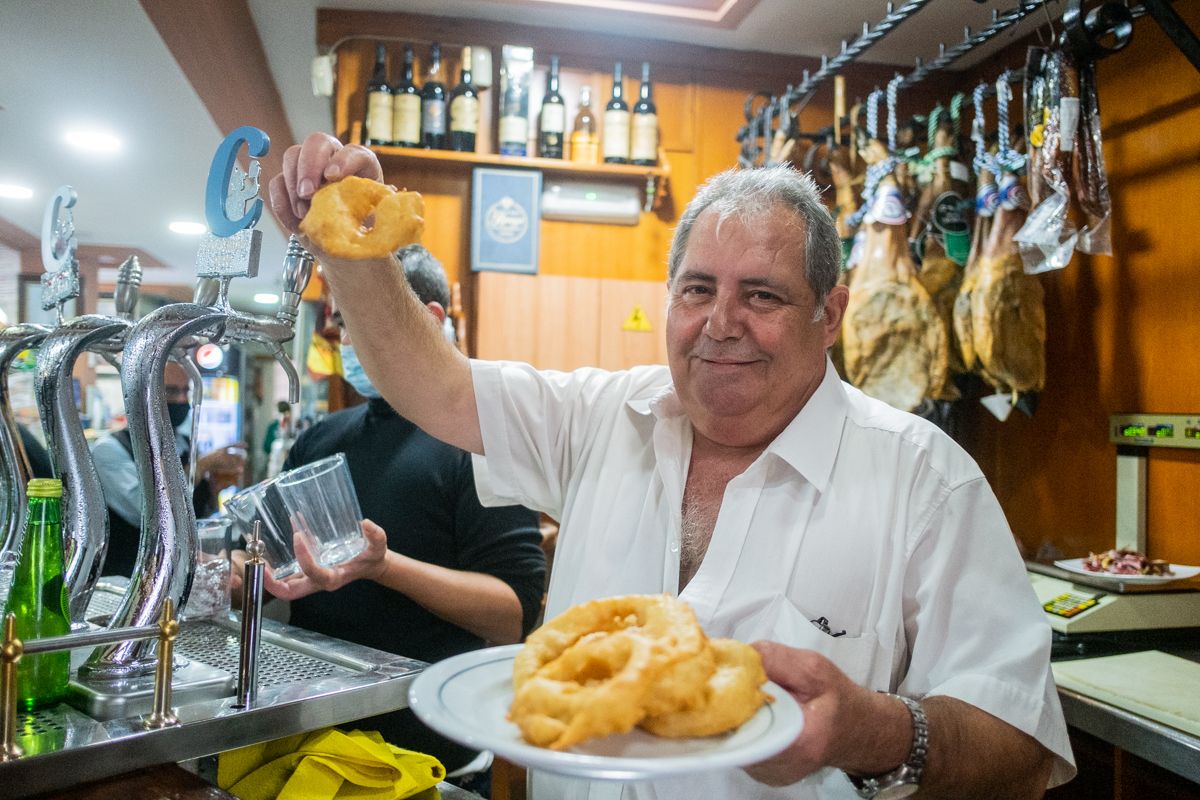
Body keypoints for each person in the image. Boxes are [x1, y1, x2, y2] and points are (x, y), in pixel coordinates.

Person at [269, 134, 1074, 799]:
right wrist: (355, 241)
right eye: (697, 290)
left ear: (830, 315)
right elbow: (430, 384)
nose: (719, 324)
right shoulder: (599, 418)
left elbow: (1022, 749)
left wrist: (876, 731)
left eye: (761, 295)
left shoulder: (926, 480)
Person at [260, 244, 546, 777]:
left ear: (430, 320)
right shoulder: (321, 440)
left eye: (360, 320)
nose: (346, 339)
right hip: (309, 736)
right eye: (342, 323)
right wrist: (238, 574)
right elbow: (273, 558)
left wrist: (386, 567)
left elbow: (513, 615)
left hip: (426, 749)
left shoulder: (479, 443)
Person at [92, 361, 245, 576]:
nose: (182, 400)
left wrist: (213, 492)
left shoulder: (183, 444)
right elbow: (145, 510)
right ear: (143, 396)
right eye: (171, 392)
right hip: (131, 578)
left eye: (186, 392)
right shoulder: (110, 450)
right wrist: (199, 466)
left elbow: (193, 515)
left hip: (180, 573)